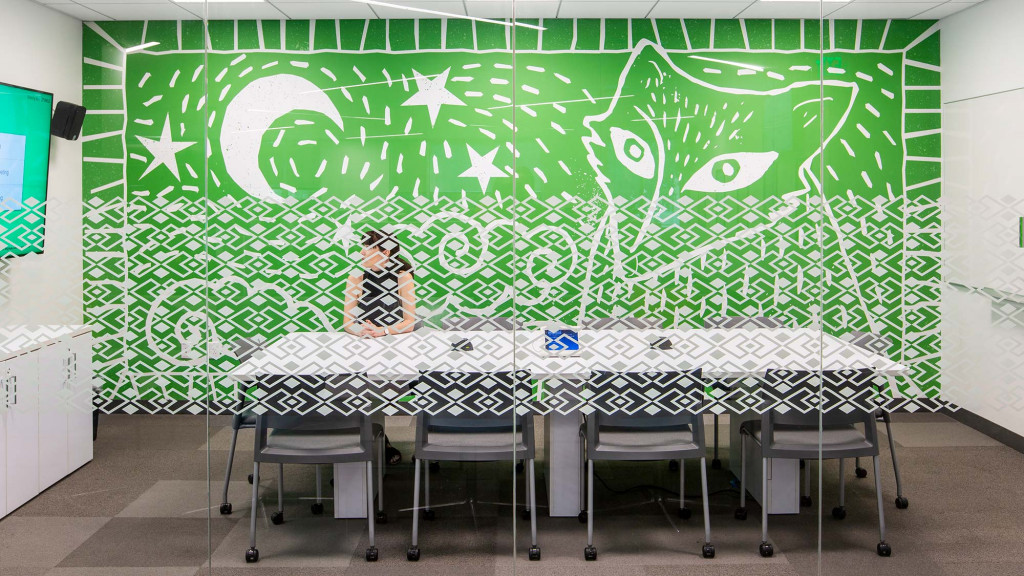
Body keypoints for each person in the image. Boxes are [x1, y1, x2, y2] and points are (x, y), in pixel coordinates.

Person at [343, 229, 417, 464]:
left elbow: (409, 322)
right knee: (356, 389)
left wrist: (383, 331)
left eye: (368, 248)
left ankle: (377, 441)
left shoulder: (402, 275)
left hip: (395, 345)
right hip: (363, 344)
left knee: (382, 392)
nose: (362, 252)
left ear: (385, 252)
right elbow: (347, 322)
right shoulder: (356, 277)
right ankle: (369, 444)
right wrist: (361, 331)